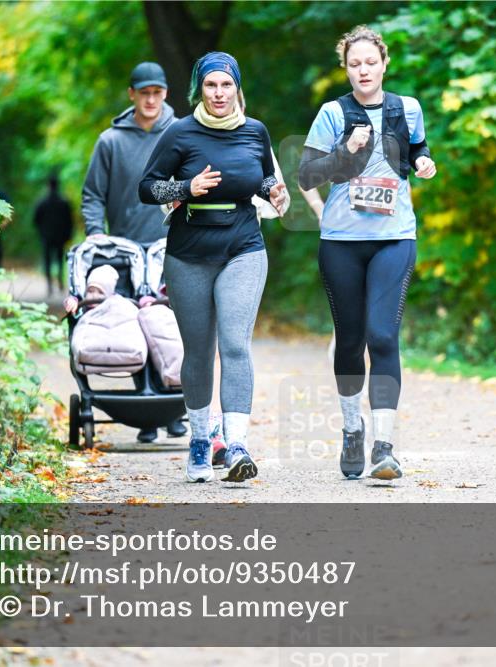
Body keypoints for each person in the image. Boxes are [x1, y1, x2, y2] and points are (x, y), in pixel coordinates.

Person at [139, 51, 288, 484]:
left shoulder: (255, 131)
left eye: (226, 85)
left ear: (237, 88)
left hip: (243, 246)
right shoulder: (179, 133)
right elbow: (147, 188)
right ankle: (202, 439)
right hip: (189, 252)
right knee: (199, 352)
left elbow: (259, 178)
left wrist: (274, 192)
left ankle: (238, 443)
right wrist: (187, 186)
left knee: (236, 345)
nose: (219, 93)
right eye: (211, 85)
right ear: (199, 89)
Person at [298, 25, 436, 480]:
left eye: (370, 62)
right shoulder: (333, 112)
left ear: (384, 63)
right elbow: (307, 176)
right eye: (354, 64)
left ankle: (384, 446)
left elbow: (417, 147)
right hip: (341, 241)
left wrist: (422, 162)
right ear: (346, 68)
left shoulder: (406, 108)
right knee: (352, 340)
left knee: (383, 336)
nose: (363, 70)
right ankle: (352, 429)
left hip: (395, 236)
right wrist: (344, 151)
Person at [81, 61, 185, 442]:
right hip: (122, 250)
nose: (151, 100)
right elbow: (93, 195)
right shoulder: (111, 141)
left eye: (157, 93)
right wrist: (96, 236)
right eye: (145, 93)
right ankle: (148, 417)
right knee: (134, 328)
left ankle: (174, 407)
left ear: (165, 95)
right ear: (132, 95)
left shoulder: (179, 133)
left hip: (168, 248)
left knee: (168, 328)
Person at [33, 175, 74, 294]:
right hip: (60, 237)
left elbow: (35, 220)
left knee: (47, 260)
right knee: (60, 260)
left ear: (48, 185)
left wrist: (41, 232)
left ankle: (49, 285)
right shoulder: (64, 202)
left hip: (46, 236)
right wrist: (68, 235)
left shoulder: (42, 202)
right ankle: (60, 281)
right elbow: (70, 221)